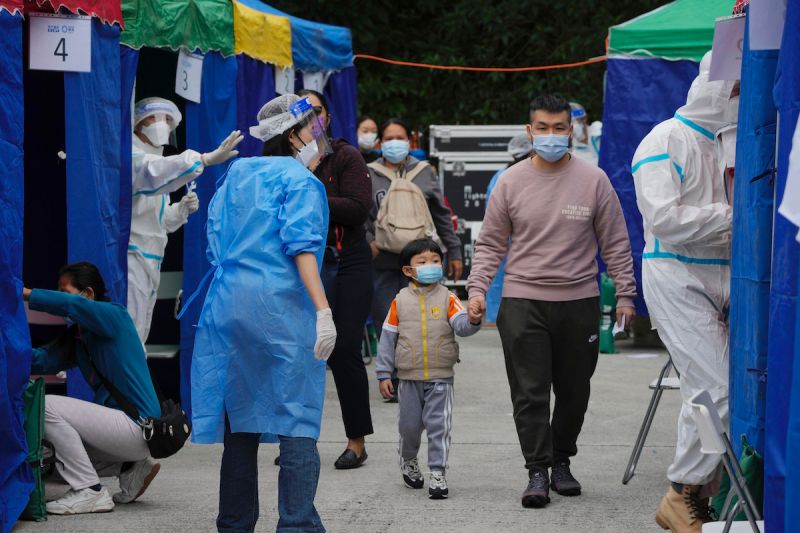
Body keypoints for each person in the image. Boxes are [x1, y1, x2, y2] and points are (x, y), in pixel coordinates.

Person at [467, 94, 637, 509]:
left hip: (579, 301)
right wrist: (476, 289)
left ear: (571, 130)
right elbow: (490, 243)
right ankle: (538, 470)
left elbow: (615, 241)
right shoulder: (510, 182)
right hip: (523, 301)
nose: (550, 135)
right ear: (529, 131)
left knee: (575, 392)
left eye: (558, 128)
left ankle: (562, 460)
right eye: (542, 128)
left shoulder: (594, 180)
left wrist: (626, 293)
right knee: (530, 393)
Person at [190, 94, 336, 533]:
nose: (318, 138)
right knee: (297, 416)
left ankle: (235, 524)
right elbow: (302, 248)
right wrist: (323, 309)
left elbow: (215, 236)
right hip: (282, 307)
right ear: (293, 135)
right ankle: (296, 524)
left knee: (241, 417)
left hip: (229, 303)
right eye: (312, 129)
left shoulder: (237, 172)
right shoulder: (302, 182)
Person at [631, 51, 739, 533]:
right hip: (677, 274)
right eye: (734, 88)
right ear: (711, 85)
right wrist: (736, 218)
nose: (738, 98)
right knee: (717, 389)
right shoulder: (665, 139)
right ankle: (681, 491)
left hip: (731, 275)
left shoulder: (736, 143)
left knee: (712, 389)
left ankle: (697, 495)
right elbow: (665, 220)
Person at [23, 262, 161, 515]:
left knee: (46, 406)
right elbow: (40, 360)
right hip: (127, 435)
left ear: (87, 294)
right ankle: (130, 468)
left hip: (137, 426)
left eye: (64, 292)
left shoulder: (115, 315)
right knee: (50, 457)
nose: (60, 299)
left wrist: (27, 294)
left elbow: (72, 306)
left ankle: (90, 490)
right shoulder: (79, 336)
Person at [296, 89, 374, 470]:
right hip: (302, 263)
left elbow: (358, 208)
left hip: (347, 260)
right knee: (301, 350)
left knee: (343, 348)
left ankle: (356, 441)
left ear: (327, 116)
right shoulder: (285, 162)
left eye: (315, 111)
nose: (310, 120)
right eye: (301, 114)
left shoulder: (345, 156)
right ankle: (297, 438)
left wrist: (308, 195)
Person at [129, 97, 243, 344]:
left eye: (167, 120)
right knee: (130, 332)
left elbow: (160, 222)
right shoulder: (133, 157)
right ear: (137, 123)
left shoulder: (158, 162)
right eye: (153, 118)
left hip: (151, 257)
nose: (162, 124)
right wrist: (203, 159)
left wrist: (179, 211)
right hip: (132, 256)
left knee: (140, 332)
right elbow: (151, 171)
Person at [376, 239, 481, 499]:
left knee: (439, 427)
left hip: (440, 378)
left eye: (435, 261)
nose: (430, 265)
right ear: (408, 270)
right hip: (408, 379)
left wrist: (473, 319)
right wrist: (384, 373)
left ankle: (437, 472)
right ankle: (409, 459)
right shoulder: (399, 301)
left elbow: (461, 326)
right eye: (422, 262)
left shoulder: (448, 298)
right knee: (409, 428)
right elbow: (387, 338)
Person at [367, 118, 463, 330]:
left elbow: (441, 214)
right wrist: (370, 242)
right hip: (383, 263)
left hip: (421, 263)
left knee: (424, 325)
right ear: (380, 143)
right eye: (388, 138)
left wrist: (454, 251)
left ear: (409, 141)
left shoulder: (424, 171)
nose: (394, 142)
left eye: (399, 138)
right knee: (387, 324)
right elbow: (361, 214)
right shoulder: (369, 173)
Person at [484, 134, 534, 323]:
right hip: (523, 243)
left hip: (507, 243)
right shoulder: (515, 177)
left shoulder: (500, 176)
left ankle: (498, 319)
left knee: (500, 283)